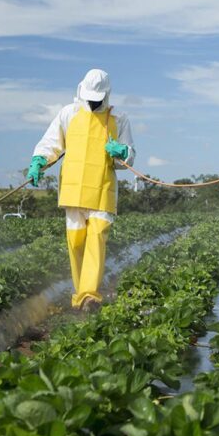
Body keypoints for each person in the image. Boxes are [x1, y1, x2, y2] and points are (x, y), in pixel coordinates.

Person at [26, 69, 135, 311]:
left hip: (102, 188)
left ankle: (89, 296)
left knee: (96, 238)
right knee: (75, 242)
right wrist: (38, 162)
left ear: (106, 95)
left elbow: (128, 157)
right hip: (73, 189)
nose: (94, 101)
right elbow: (51, 143)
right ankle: (79, 297)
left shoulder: (118, 118)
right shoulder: (69, 113)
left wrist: (122, 152)